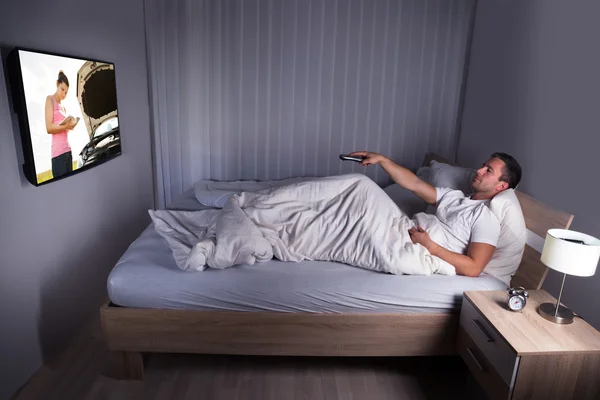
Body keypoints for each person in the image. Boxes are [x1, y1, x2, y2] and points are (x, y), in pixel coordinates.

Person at [349, 150, 522, 278]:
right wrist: (382, 160)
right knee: (361, 185)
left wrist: (431, 247)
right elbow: (415, 183)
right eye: (483, 165)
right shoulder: (455, 197)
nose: (479, 170)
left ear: (501, 186)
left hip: (415, 248)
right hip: (401, 230)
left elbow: (474, 268)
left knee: (360, 186)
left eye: (488, 170)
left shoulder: (486, 218)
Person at [45, 70, 78, 178]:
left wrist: (70, 126)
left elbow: (63, 128)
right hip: (58, 155)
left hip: (68, 151)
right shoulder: (50, 99)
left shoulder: (64, 107)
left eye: (66, 92)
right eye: (62, 89)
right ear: (57, 84)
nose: (64, 94)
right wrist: (65, 126)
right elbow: (49, 128)